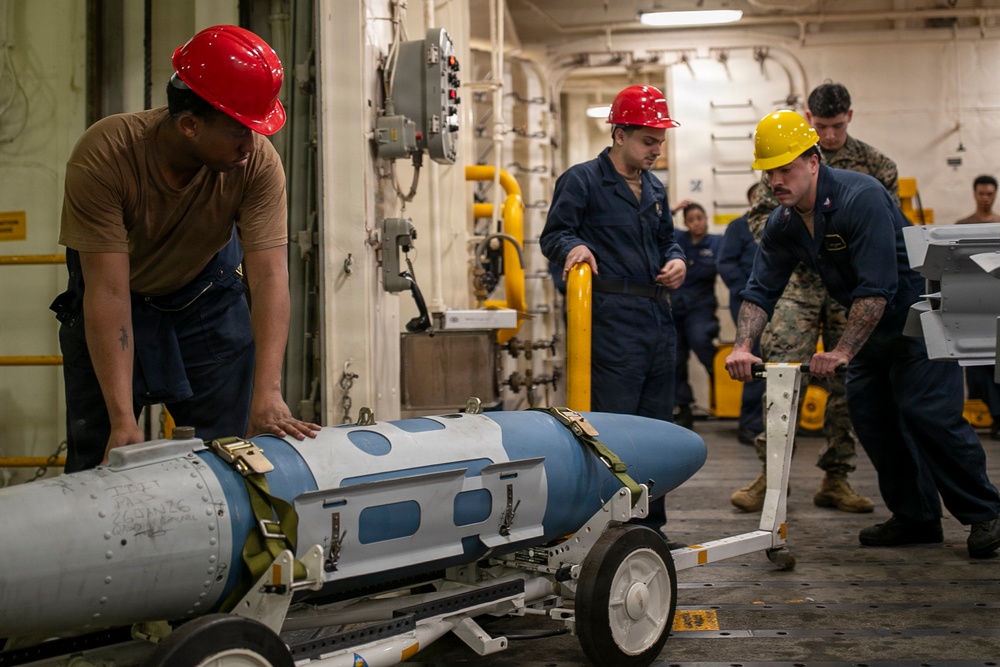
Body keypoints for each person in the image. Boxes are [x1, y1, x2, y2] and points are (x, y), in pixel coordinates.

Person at [726, 109, 1000, 559]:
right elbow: (759, 290)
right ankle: (916, 518)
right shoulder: (785, 222)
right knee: (874, 421)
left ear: (813, 162)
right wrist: (742, 345)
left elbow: (877, 290)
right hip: (871, 333)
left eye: (786, 168)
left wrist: (840, 352)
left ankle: (985, 513)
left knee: (929, 414)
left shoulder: (862, 197)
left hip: (919, 322)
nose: (776, 180)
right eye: (769, 171)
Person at [51, 25, 319, 473]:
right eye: (239, 132)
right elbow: (109, 293)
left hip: (205, 301)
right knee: (100, 461)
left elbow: (270, 276)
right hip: (116, 301)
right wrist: (121, 420)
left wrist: (268, 392)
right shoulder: (106, 156)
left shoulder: (256, 164)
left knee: (231, 457)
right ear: (190, 124)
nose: (251, 147)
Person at [731, 82, 895, 514]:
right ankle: (772, 474)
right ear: (809, 120)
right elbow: (762, 223)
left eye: (837, 126)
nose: (830, 134)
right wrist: (801, 242)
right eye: (821, 126)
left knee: (846, 380)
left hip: (853, 288)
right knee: (782, 372)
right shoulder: (784, 157)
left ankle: (837, 477)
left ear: (850, 118)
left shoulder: (875, 166)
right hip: (797, 283)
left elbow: (890, 232)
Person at [540, 84, 686, 420]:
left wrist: (677, 259)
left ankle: (650, 476)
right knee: (615, 420)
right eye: (648, 142)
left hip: (659, 319)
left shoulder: (654, 187)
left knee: (657, 421)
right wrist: (574, 245)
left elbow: (667, 240)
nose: (656, 151)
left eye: (660, 143)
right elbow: (554, 235)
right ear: (620, 135)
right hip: (612, 322)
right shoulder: (582, 181)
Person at [716, 183, 765, 444]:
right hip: (750, 304)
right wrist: (747, 291)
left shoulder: (785, 223)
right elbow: (725, 262)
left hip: (782, 302)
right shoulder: (739, 227)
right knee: (754, 359)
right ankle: (750, 424)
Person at [670, 201, 723, 428]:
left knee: (701, 340)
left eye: (699, 218)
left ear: (706, 219)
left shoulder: (716, 243)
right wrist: (671, 210)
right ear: (685, 223)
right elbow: (659, 226)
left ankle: (722, 381)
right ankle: (683, 407)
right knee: (675, 360)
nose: (696, 223)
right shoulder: (679, 240)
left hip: (700, 308)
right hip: (675, 308)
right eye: (690, 220)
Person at [955, 174, 1000, 439]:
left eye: (990, 194)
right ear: (975, 194)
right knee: (976, 368)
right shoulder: (963, 226)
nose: (986, 198)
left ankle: (998, 418)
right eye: (982, 193)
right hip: (973, 303)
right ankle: (996, 415)